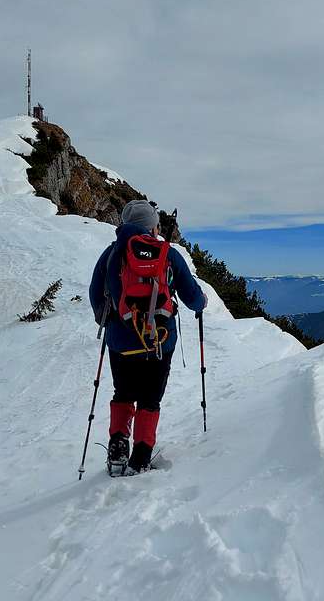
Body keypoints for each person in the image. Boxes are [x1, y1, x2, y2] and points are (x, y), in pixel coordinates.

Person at [89, 200, 206, 473]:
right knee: (150, 398)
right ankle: (141, 456)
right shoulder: (168, 253)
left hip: (121, 341)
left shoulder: (111, 254)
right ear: (153, 226)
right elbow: (191, 295)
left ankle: (118, 446)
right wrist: (202, 303)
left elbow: (96, 293)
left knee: (123, 392)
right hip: (160, 342)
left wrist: (107, 321)